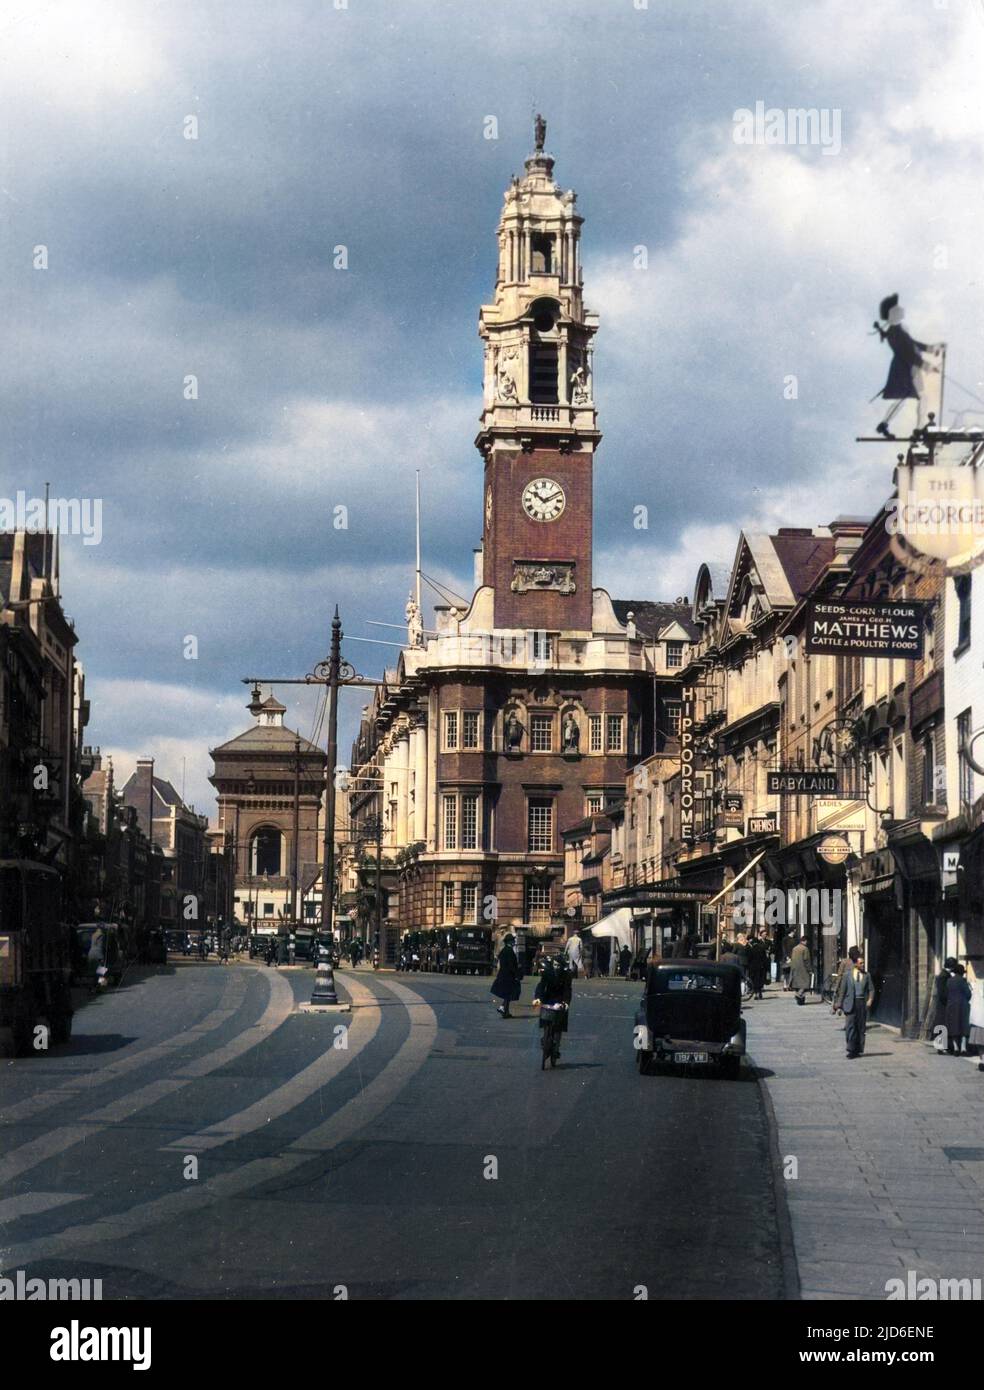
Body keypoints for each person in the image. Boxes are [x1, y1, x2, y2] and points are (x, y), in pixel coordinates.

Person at [833, 946, 875, 1058]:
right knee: (850, 1026)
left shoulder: (867, 975)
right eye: (861, 963)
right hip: (850, 1003)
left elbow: (871, 989)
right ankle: (851, 1049)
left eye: (863, 963)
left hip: (861, 1003)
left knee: (860, 1027)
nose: (863, 965)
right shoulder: (848, 975)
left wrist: (870, 999)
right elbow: (842, 991)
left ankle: (858, 1049)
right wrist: (838, 1004)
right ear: (855, 963)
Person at [533, 953, 572, 1063]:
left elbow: (567, 990)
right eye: (555, 965)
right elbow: (541, 986)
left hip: (560, 1001)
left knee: (558, 1026)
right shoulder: (547, 973)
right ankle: (545, 1039)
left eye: (558, 965)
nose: (556, 967)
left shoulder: (566, 975)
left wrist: (566, 1002)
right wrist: (538, 998)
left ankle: (556, 1047)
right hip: (548, 999)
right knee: (546, 1022)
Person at [491, 932, 522, 1018]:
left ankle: (506, 1012)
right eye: (512, 940)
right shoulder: (509, 951)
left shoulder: (504, 950)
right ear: (509, 942)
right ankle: (502, 1008)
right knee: (509, 994)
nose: (514, 942)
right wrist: (516, 974)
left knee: (507, 994)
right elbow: (511, 965)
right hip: (509, 976)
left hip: (503, 975)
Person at [945, 963, 972, 1056]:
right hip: (963, 1006)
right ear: (961, 973)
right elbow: (968, 994)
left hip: (951, 1006)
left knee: (954, 1027)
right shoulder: (963, 981)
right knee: (963, 1027)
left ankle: (956, 1048)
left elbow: (946, 994)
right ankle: (963, 1048)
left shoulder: (949, 981)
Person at [789, 936, 812, 1005]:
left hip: (795, 968)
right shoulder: (805, 949)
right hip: (803, 969)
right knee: (805, 984)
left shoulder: (794, 948)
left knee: (797, 984)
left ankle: (799, 997)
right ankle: (799, 994)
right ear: (804, 941)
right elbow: (806, 960)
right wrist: (809, 969)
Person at [746, 934, 769, 999]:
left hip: (753, 967)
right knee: (760, 980)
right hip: (761, 967)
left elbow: (749, 958)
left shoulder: (751, 949)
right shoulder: (762, 948)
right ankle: (760, 992)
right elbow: (765, 958)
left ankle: (756, 994)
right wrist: (766, 967)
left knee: (754, 980)